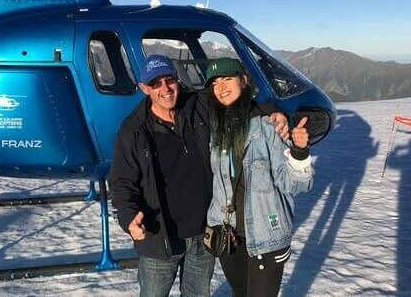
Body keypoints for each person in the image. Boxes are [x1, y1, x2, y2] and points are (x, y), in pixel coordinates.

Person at [109, 55, 290, 297]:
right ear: (144, 88)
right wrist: (129, 217)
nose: (165, 88)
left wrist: (274, 112)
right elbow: (122, 182)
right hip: (159, 238)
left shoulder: (197, 106)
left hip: (203, 235)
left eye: (169, 80)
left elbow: (235, 102)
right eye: (155, 83)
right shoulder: (133, 131)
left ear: (177, 80)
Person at [204, 57, 314, 297]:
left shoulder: (268, 127)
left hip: (267, 235)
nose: (221, 87)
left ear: (244, 81)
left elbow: (295, 184)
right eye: (214, 83)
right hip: (228, 236)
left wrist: (299, 152)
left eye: (227, 79)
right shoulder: (215, 128)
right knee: (240, 293)